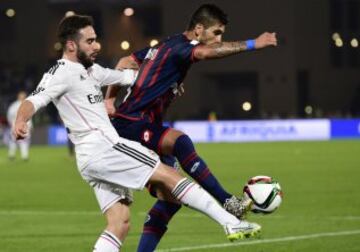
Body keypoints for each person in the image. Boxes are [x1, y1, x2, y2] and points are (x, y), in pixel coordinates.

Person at [13, 14, 261, 252]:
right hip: (103, 148)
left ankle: (229, 220)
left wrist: (169, 80)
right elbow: (35, 100)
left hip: (92, 158)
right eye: (89, 41)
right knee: (169, 176)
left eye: (96, 39)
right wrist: (21, 120)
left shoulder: (91, 71)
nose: (97, 45)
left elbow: (127, 76)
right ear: (70, 45)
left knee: (119, 222)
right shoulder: (60, 73)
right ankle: (230, 221)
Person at [105, 4, 277, 251]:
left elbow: (125, 61)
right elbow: (208, 53)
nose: (219, 39)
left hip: (142, 124)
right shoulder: (183, 48)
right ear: (198, 30)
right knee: (180, 142)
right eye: (216, 33)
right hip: (131, 123)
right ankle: (229, 202)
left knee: (171, 200)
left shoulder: (166, 45)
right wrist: (253, 44)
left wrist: (110, 99)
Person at [7, 91, 32, 161]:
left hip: (18, 126)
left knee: (15, 141)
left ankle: (13, 155)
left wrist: (11, 124)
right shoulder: (24, 105)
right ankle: (23, 156)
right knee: (22, 142)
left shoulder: (14, 105)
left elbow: (9, 116)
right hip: (20, 126)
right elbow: (29, 117)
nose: (23, 97)